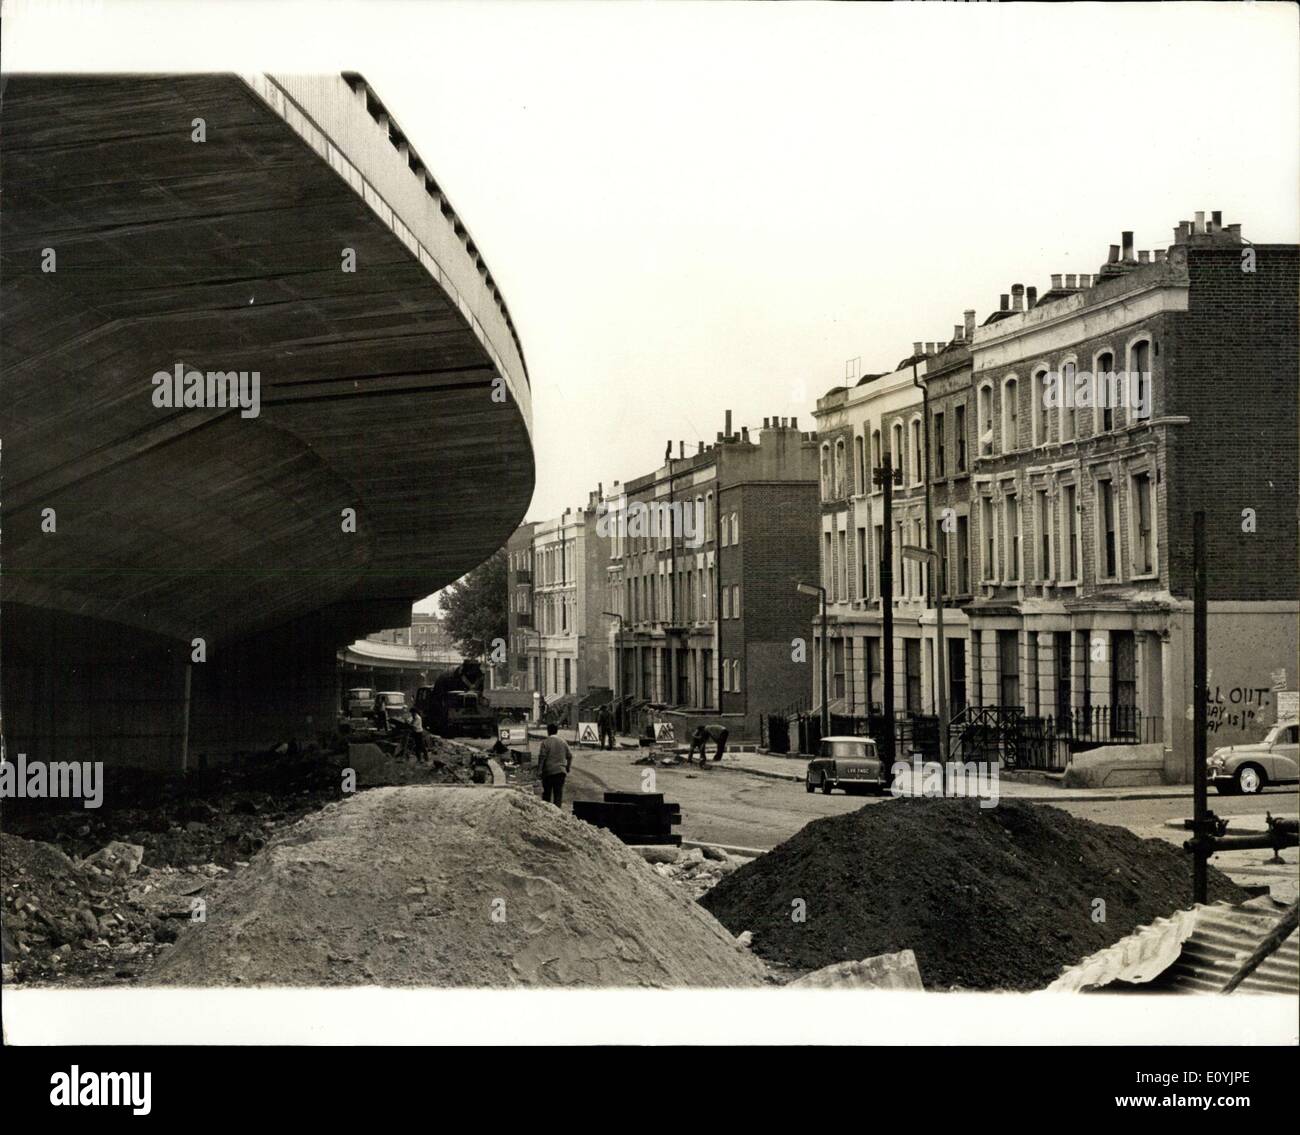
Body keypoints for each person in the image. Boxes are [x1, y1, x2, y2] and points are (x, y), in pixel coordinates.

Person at [537, 721, 573, 806]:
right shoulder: (563, 741)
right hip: (561, 772)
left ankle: (548, 814)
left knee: (546, 795)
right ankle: (557, 814)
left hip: (548, 772)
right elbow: (570, 756)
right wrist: (568, 767)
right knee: (558, 795)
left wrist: (539, 771)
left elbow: (542, 757)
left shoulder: (545, 742)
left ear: (548, 731)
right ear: (557, 731)